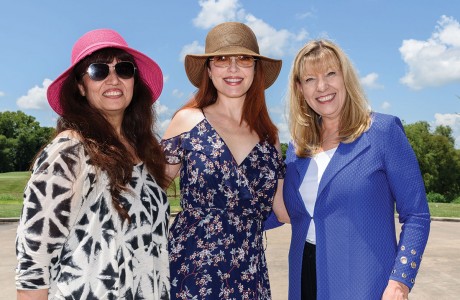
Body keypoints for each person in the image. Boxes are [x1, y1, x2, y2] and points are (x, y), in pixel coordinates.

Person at [15, 29, 170, 299]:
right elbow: (33, 262)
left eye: (124, 69)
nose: (114, 79)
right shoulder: (70, 151)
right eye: (98, 70)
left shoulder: (146, 154)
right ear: (80, 86)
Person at [273, 39, 431, 299]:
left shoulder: (383, 132)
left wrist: (401, 280)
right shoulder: (297, 148)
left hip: (365, 283)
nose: (322, 86)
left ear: (346, 77)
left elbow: (416, 215)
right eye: (310, 79)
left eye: (330, 74)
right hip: (304, 280)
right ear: (300, 89)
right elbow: (284, 211)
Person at [161, 22, 290, 299]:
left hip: (249, 274)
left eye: (243, 59)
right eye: (221, 60)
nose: (233, 69)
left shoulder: (270, 137)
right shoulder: (188, 122)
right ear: (209, 69)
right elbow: (151, 191)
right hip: (191, 271)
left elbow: (282, 208)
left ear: (256, 69)